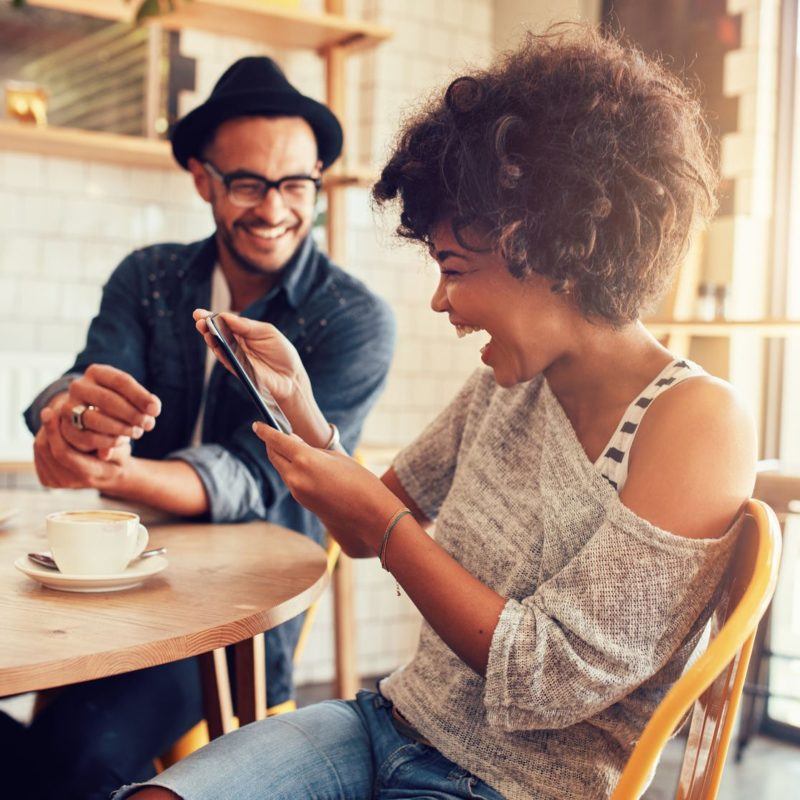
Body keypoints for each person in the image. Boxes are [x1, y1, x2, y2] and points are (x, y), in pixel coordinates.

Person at [115, 28, 756, 800]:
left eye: (453, 268)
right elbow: (361, 529)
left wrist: (391, 531)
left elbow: (546, 678)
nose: (441, 301)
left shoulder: (696, 423)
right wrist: (304, 412)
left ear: (541, 248)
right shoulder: (510, 381)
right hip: (385, 723)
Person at [17, 56, 395, 800]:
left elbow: (254, 477)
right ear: (202, 179)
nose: (275, 208)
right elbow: (85, 382)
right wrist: (73, 420)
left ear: (317, 179)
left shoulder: (352, 319)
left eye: (295, 184)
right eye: (248, 183)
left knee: (75, 753)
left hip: (239, 616)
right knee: (46, 753)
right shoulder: (148, 277)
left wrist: (113, 474)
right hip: (111, 584)